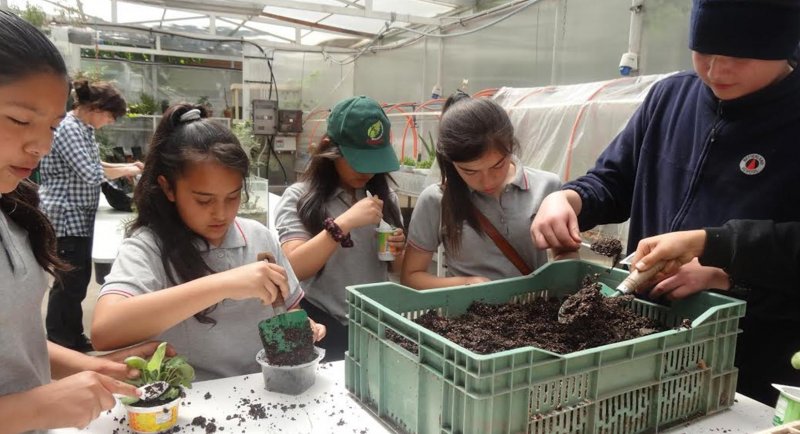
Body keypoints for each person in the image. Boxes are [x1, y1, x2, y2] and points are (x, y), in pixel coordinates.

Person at [530, 0, 800, 404]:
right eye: (704, 52)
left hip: (752, 364)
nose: (716, 71)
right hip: (650, 337)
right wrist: (569, 198)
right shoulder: (671, 98)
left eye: (741, 57)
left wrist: (725, 268)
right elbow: (614, 180)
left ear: (782, 46)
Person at [0, 10, 171, 433]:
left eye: (52, 126)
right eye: (19, 119)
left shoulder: (11, 212)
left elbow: (14, 345)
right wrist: (31, 409)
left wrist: (92, 367)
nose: (39, 144)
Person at [90, 104, 325, 381]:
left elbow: (288, 308)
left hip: (263, 387)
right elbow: (104, 332)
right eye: (204, 200)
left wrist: (302, 325)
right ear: (168, 188)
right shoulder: (149, 247)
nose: (221, 213)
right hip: (193, 400)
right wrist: (225, 284)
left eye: (233, 196)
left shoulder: (258, 237)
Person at [274, 95, 405, 362]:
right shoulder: (300, 197)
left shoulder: (385, 197)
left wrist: (397, 250)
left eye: (375, 161)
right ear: (329, 149)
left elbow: (396, 270)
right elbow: (293, 268)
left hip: (375, 325)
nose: (368, 171)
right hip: (320, 326)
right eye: (358, 160)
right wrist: (344, 223)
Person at [402, 97, 561, 289]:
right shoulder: (436, 199)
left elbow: (565, 255)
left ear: (511, 145)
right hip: (466, 314)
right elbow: (411, 275)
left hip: (535, 311)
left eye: (497, 165)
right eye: (470, 171)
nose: (487, 181)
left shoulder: (548, 188)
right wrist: (467, 283)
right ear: (451, 162)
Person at [38, 80, 144, 352]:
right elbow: (91, 173)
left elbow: (96, 164)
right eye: (109, 115)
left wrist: (128, 166)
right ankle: (61, 342)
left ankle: (72, 337)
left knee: (77, 280)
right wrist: (129, 170)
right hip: (66, 215)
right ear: (95, 108)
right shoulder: (69, 130)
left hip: (77, 216)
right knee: (68, 282)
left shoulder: (82, 129)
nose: (109, 121)